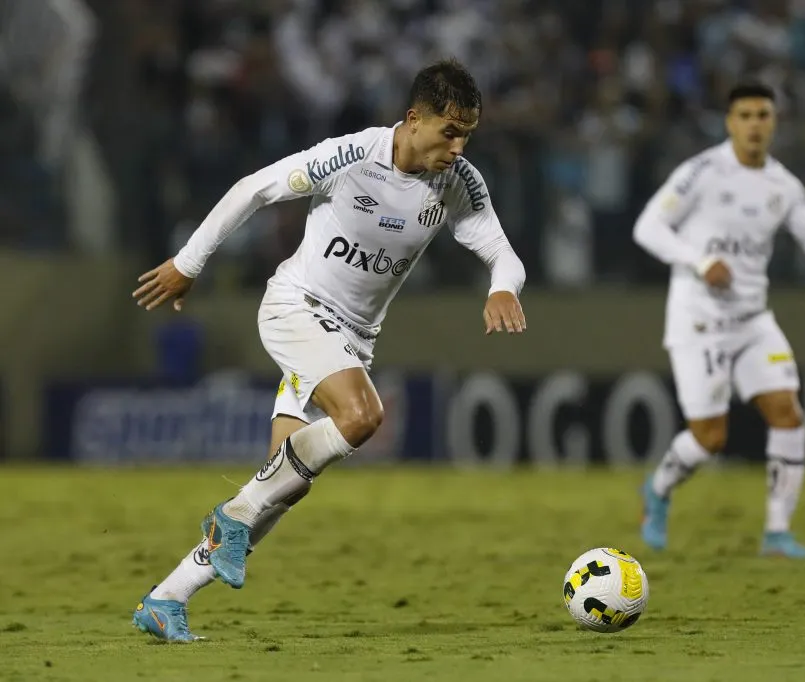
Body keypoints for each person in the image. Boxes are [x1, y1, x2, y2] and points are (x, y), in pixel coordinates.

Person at [130, 59, 527, 641]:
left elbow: (503, 253)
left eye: (468, 132)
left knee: (280, 489)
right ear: (414, 119)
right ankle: (230, 517)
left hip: (352, 340)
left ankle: (167, 599)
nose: (459, 145)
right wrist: (189, 263)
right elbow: (255, 188)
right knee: (363, 417)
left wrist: (501, 288)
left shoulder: (459, 182)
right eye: (450, 130)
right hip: (296, 308)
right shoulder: (352, 157)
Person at [633, 82, 805, 558]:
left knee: (788, 413)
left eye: (763, 115)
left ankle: (777, 532)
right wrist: (698, 262)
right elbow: (647, 226)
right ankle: (659, 489)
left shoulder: (783, 186)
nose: (755, 124)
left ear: (774, 123)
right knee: (711, 438)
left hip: (754, 320)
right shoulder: (702, 173)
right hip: (699, 320)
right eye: (746, 115)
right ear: (730, 122)